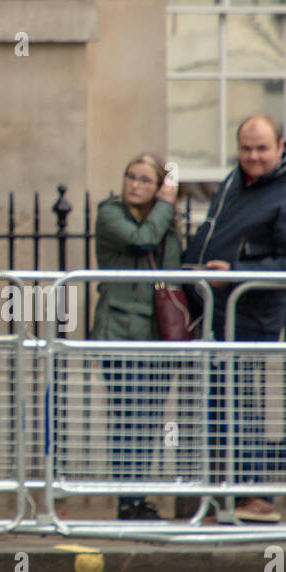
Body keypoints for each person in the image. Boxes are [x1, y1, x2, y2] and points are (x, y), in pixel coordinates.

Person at [181, 113, 286, 522]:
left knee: (237, 405)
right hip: (213, 310)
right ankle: (226, 496)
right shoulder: (237, 181)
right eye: (245, 149)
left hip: (249, 314)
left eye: (261, 149)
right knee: (219, 404)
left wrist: (236, 275)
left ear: (281, 147)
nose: (252, 156)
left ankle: (255, 495)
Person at [90, 154, 183, 519]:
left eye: (145, 179)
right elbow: (141, 241)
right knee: (127, 417)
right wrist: (165, 204)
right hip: (120, 332)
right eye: (131, 176)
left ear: (158, 184)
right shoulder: (109, 213)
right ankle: (127, 500)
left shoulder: (166, 223)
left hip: (159, 335)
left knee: (150, 419)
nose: (134, 184)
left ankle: (139, 495)